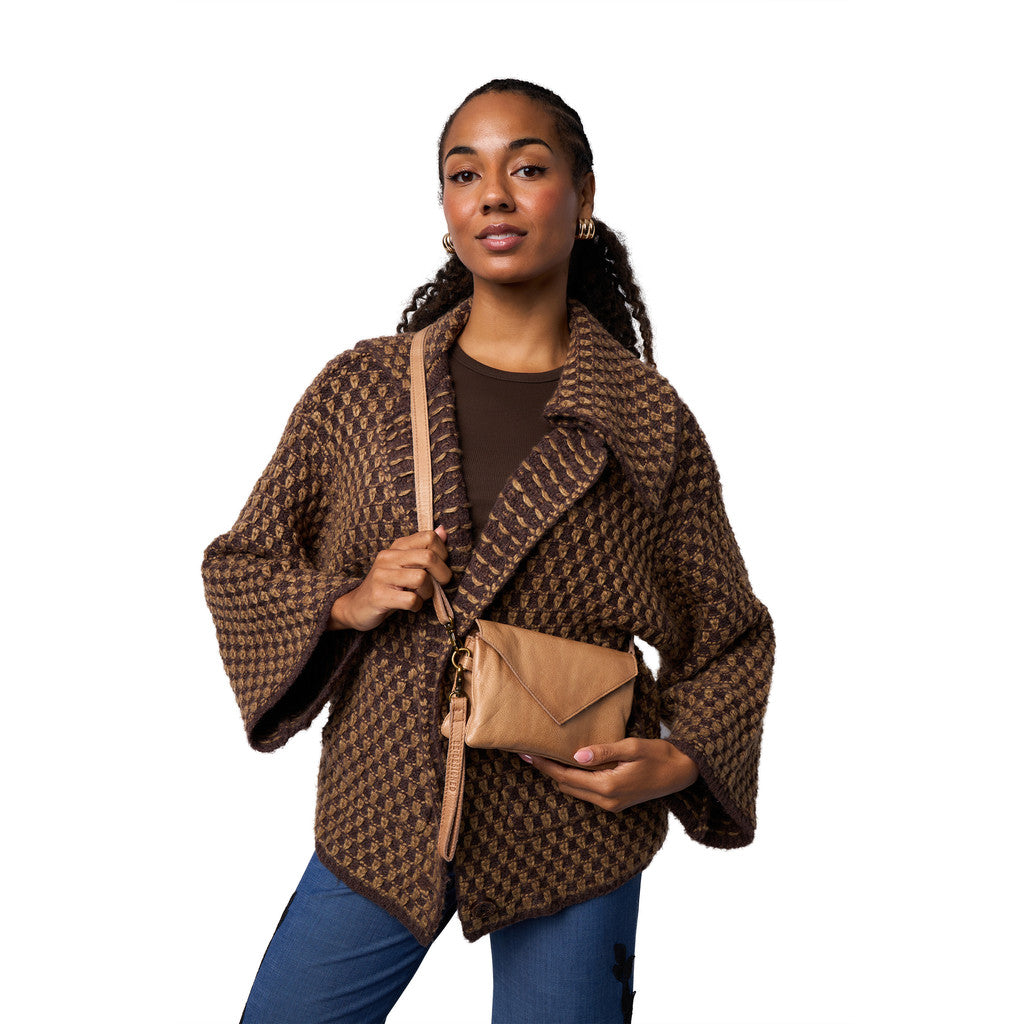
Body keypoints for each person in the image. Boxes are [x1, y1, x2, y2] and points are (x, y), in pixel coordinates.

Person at [201, 78, 775, 1024]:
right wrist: (347, 600)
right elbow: (245, 563)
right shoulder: (364, 389)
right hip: (381, 808)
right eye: (464, 173)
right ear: (445, 207)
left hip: (576, 823)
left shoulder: (647, 421)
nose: (494, 196)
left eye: (528, 168)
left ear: (584, 197)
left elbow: (731, 633)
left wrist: (681, 760)